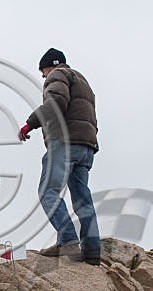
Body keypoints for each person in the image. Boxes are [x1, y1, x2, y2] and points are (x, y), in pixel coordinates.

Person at [18, 48, 102, 266]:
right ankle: (92, 250)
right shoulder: (83, 82)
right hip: (86, 147)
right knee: (82, 197)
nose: (43, 77)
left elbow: (56, 103)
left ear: (49, 66)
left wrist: (30, 123)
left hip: (65, 144)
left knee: (48, 191)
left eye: (42, 72)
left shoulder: (58, 75)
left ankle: (68, 240)